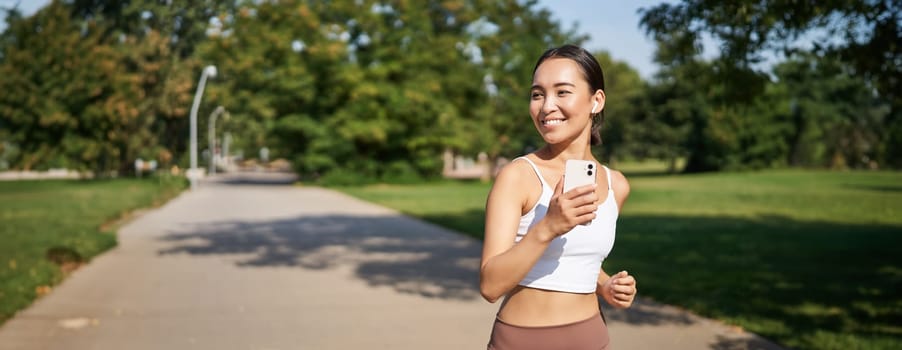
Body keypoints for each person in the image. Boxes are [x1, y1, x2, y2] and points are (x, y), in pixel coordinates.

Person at [480, 44, 637, 350]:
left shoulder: (616, 184)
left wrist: (606, 284)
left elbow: (576, 261)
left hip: (591, 337)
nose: (546, 105)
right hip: (522, 341)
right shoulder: (518, 176)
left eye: (562, 92)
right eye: (538, 94)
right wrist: (548, 227)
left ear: (596, 101)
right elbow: (490, 285)